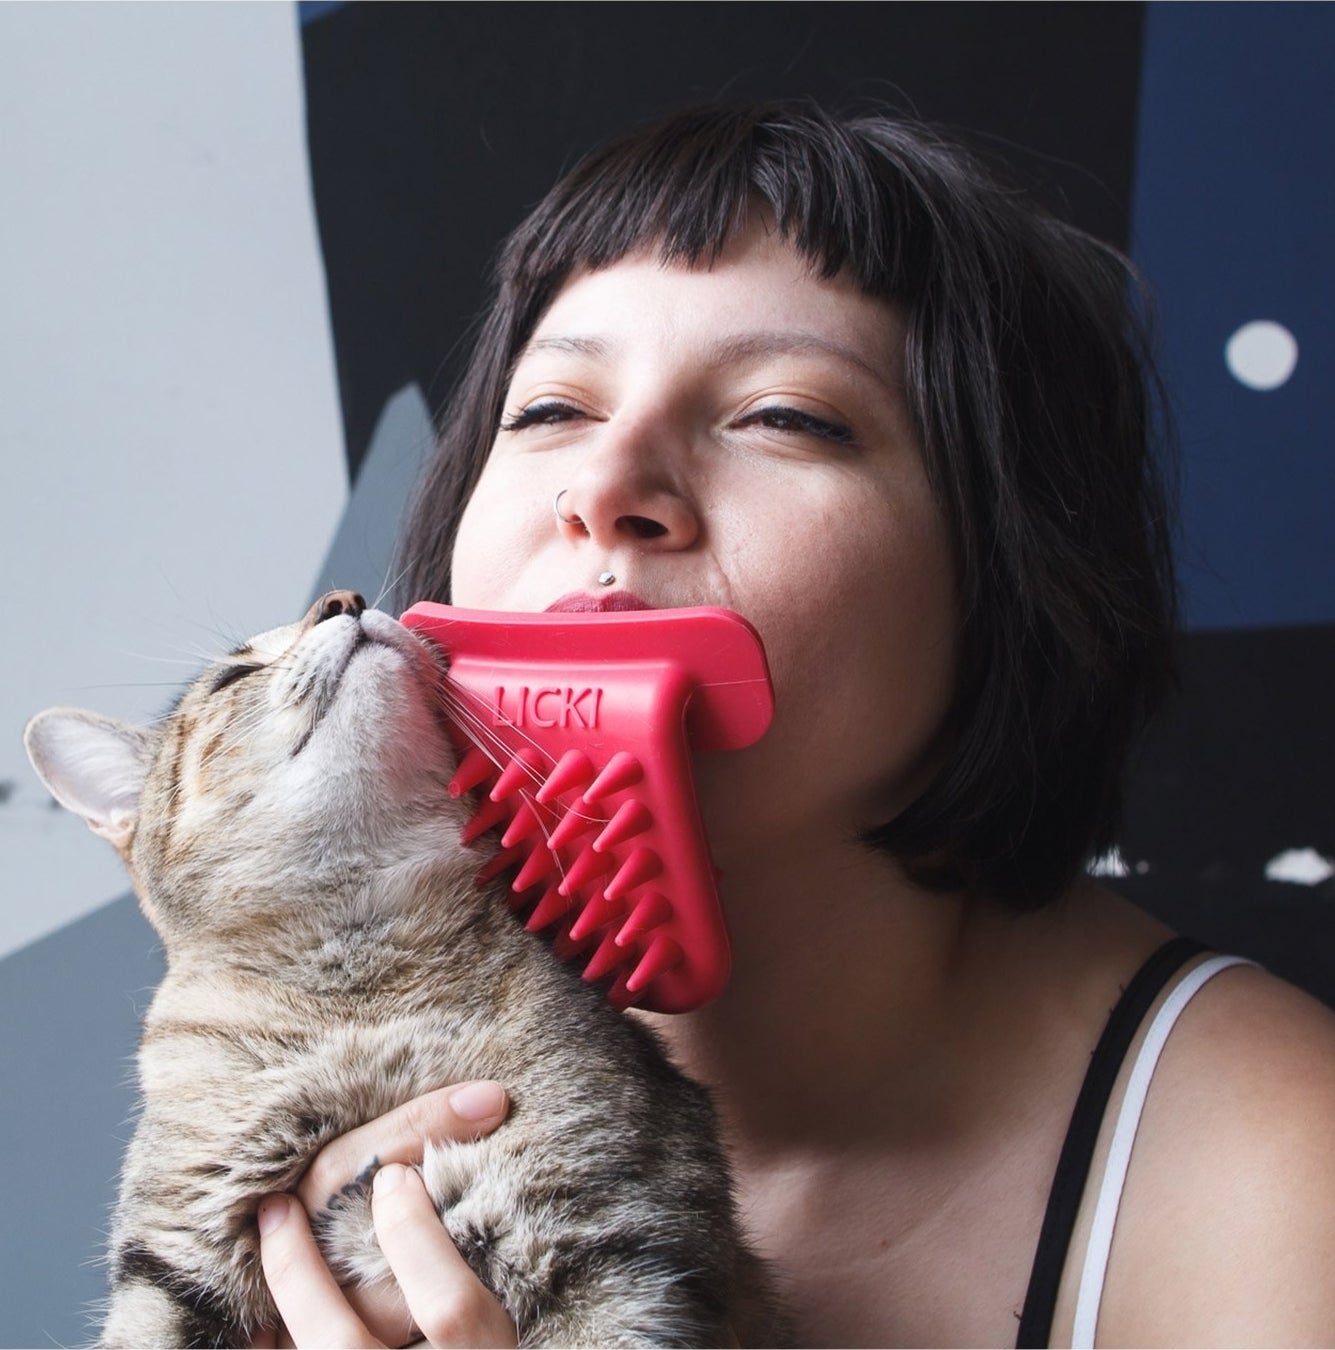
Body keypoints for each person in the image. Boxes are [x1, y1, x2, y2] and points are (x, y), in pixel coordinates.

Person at [252, 102, 1335, 1347]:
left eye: (785, 417)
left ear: (1013, 569)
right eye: (550, 409)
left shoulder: (1276, 1179)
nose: (605, 489)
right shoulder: (314, 1074)